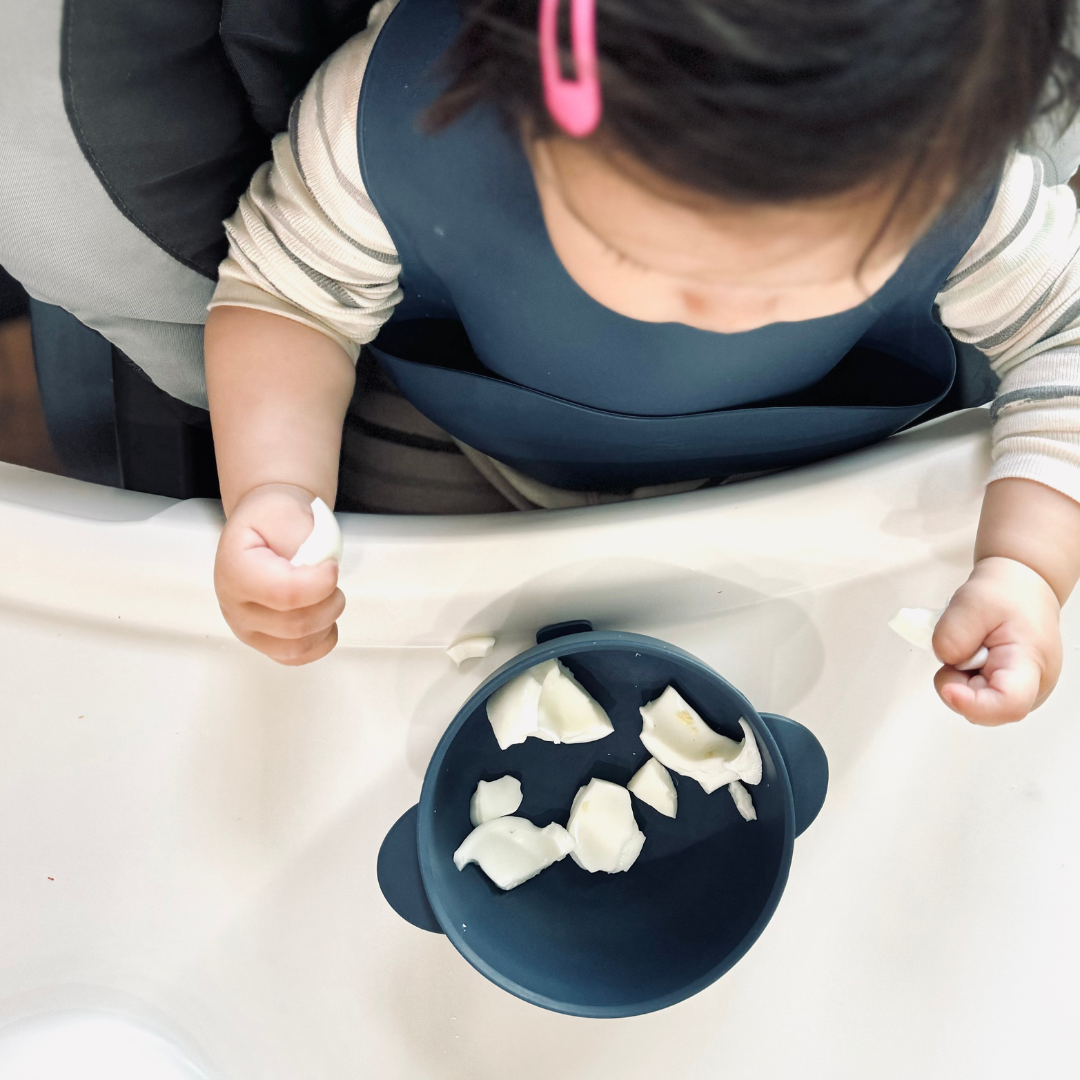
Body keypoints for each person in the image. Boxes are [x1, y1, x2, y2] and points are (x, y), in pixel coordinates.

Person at [205, 0, 1080, 727]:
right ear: (545, 102)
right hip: (476, 437)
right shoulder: (391, 116)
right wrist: (277, 491)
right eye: (654, 263)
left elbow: (1066, 339)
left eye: (804, 278)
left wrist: (1027, 565)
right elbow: (289, 301)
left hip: (827, 467)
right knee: (368, 693)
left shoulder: (965, 184)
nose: (730, 314)